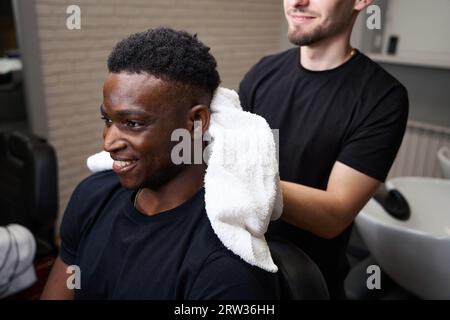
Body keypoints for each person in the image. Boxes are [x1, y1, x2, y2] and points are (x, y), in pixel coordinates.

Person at [41, 27, 279, 300]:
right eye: (108, 120)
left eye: (132, 123)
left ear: (196, 123)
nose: (108, 143)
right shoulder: (91, 196)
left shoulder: (223, 266)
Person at [239, 0, 409, 299]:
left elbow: (334, 214)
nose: (297, 2)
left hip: (305, 282)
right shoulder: (263, 72)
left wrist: (239, 179)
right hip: (237, 270)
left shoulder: (383, 98)